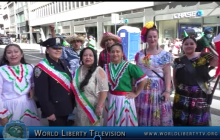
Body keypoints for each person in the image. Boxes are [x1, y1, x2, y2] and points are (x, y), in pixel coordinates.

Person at [173, 36, 218, 126]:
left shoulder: (204, 56)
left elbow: (217, 61)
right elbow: (174, 77)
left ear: (196, 45)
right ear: (182, 46)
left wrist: (209, 46)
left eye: (191, 43)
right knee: (181, 121)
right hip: (182, 95)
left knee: (198, 121)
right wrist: (176, 91)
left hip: (199, 94)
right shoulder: (177, 60)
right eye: (186, 44)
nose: (189, 46)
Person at [135, 21, 173, 126]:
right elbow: (137, 73)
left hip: (159, 89)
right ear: (145, 38)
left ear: (158, 37)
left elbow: (167, 73)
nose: (152, 39)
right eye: (150, 37)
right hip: (143, 89)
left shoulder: (165, 55)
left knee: (158, 114)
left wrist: (167, 91)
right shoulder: (140, 54)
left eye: (155, 37)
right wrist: (133, 88)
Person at [34, 37, 74, 126]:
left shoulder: (64, 63)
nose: (58, 51)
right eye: (54, 48)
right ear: (47, 50)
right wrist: (48, 112)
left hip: (66, 106)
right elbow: (42, 93)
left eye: (59, 48)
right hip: (55, 110)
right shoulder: (41, 68)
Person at [103, 43, 147, 126]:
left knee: (125, 122)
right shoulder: (106, 67)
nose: (115, 54)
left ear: (122, 54)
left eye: (117, 51)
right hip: (111, 98)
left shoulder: (129, 66)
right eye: (112, 52)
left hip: (124, 99)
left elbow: (143, 78)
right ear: (109, 54)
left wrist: (136, 93)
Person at [0, 44, 41, 126]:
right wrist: (2, 114)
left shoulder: (30, 67)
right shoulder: (1, 70)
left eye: (16, 52)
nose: (13, 54)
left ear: (21, 54)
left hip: (28, 105)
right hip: (9, 107)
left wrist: (32, 90)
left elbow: (33, 83)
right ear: (5, 56)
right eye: (9, 52)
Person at [71, 47, 108, 126]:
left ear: (94, 57)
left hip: (93, 108)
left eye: (91, 55)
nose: (88, 57)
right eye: (85, 55)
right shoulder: (78, 70)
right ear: (81, 57)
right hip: (80, 107)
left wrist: (98, 106)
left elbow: (104, 91)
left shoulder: (99, 70)